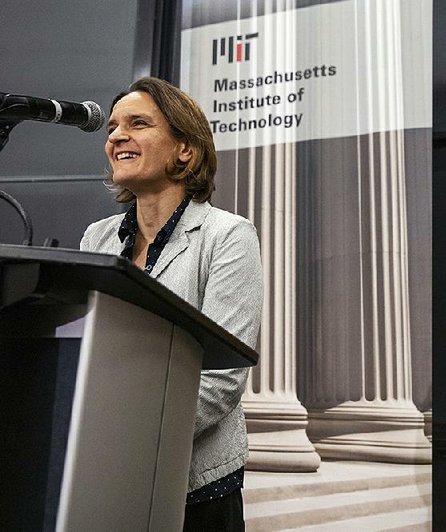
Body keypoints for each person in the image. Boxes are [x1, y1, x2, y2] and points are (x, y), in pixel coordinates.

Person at [80, 77, 262, 531]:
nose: (117, 136)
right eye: (113, 128)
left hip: (196, 486)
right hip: (102, 475)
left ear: (186, 149)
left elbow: (222, 377)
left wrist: (118, 430)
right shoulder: (96, 238)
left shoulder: (228, 236)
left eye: (138, 124)